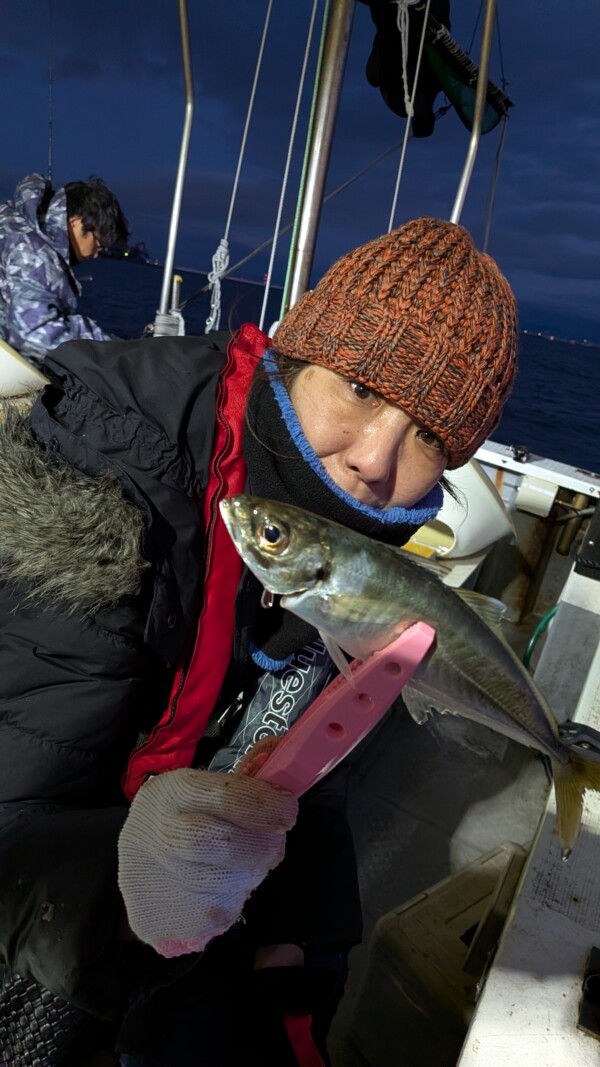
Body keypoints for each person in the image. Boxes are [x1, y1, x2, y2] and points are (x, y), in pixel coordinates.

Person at [0, 218, 518, 1066]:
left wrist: (296, 964)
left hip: (203, 905)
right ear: (298, 355)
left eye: (429, 436)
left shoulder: (365, 552)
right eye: (357, 385)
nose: (374, 462)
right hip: (62, 916)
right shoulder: (106, 472)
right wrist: (123, 879)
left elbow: (316, 783)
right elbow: (13, 812)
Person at [0, 172, 128, 365]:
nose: (95, 254)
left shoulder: (15, 223)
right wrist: (107, 352)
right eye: (98, 244)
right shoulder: (31, 252)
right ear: (76, 223)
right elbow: (33, 333)